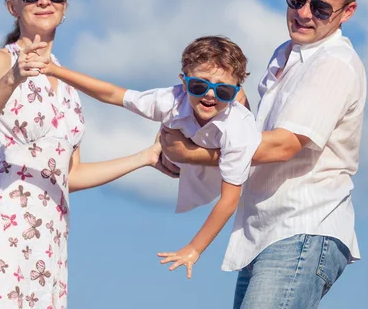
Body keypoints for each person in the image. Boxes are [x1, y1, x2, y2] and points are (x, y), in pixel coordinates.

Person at [0, 0, 165, 309]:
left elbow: (70, 175)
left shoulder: (68, 84)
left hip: (49, 239)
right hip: (1, 230)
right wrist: (14, 76)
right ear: (11, 6)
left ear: (64, 4)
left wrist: (145, 158)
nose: (44, 0)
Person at [159, 0, 367, 308]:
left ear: (347, 12)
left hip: (301, 228)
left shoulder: (334, 63)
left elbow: (283, 146)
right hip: (267, 232)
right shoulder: (285, 54)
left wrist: (189, 153)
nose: (303, 13)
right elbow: (246, 132)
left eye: (320, 8)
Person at [41, 36, 261, 279]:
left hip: (217, 171)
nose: (209, 94)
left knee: (237, 126)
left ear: (235, 88)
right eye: (200, 85)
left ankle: (236, 102)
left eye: (223, 89)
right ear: (184, 81)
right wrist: (55, 70)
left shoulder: (239, 129)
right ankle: (167, 140)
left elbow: (229, 201)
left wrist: (194, 249)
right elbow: (114, 94)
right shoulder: (170, 99)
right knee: (172, 134)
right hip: (179, 157)